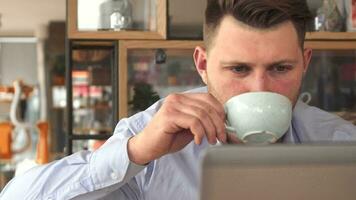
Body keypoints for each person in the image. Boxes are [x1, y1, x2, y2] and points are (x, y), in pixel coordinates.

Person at [1, 0, 356, 199]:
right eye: (238, 69)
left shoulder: (341, 144)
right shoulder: (151, 136)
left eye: (280, 68)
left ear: (305, 64)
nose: (258, 88)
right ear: (202, 65)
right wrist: (136, 152)